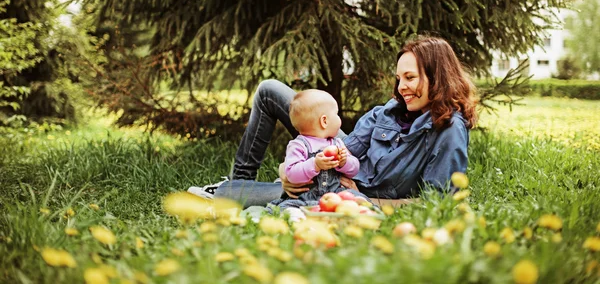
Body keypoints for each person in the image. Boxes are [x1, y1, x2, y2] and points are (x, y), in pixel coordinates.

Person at [188, 36, 478, 207]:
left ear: (437, 76)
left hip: (351, 195)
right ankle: (241, 180)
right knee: (269, 91)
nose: (401, 87)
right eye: (399, 78)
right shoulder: (387, 111)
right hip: (338, 174)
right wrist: (291, 169)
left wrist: (363, 200)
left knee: (280, 195)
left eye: (410, 78)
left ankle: (226, 193)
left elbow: (438, 204)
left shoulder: (448, 129)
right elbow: (343, 147)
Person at [267, 89, 367, 219]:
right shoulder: (298, 145)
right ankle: (297, 217)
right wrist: (314, 164)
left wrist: (344, 162)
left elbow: (354, 169)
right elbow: (291, 174)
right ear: (324, 121)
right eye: (336, 114)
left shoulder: (337, 144)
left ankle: (364, 212)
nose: (339, 118)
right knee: (288, 209)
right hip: (304, 199)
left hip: (336, 196)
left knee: (359, 199)